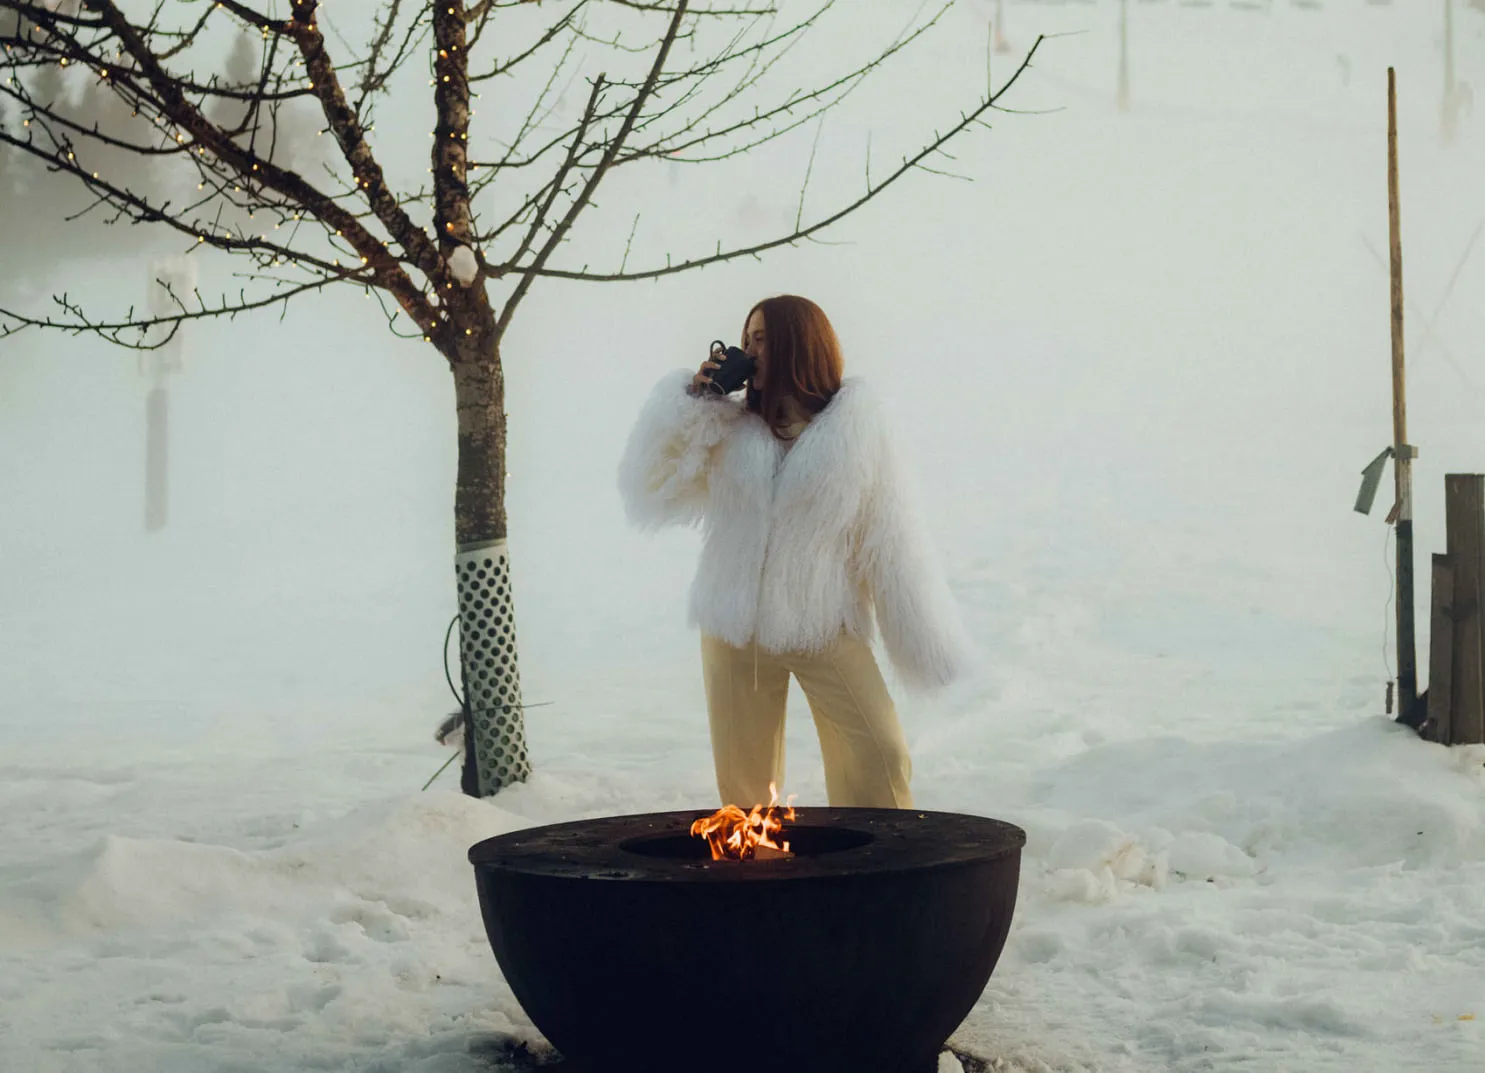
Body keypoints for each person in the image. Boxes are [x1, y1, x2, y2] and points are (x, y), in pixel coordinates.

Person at [617, 295, 972, 809]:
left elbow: (892, 541)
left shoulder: (857, 431)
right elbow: (650, 489)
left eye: (762, 339)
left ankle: (881, 866)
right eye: (747, 339)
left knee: (879, 752)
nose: (750, 350)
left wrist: (923, 642)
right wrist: (695, 403)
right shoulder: (727, 426)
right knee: (746, 793)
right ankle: (758, 880)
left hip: (823, 623)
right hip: (733, 624)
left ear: (799, 345)